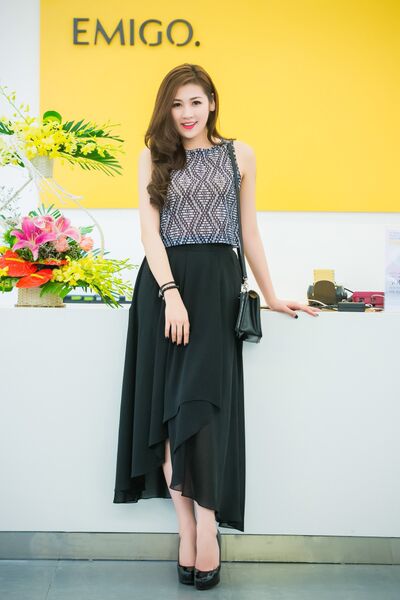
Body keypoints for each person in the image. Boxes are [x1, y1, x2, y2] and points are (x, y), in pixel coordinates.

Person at [113, 63, 321, 590]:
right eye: (176, 103)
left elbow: (249, 231)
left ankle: (207, 525)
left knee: (201, 409)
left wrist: (271, 296)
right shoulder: (153, 156)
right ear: (166, 108)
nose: (187, 113)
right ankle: (186, 528)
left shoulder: (239, 154)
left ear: (211, 102)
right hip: (164, 288)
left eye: (195, 101)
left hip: (217, 286)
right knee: (166, 411)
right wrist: (170, 294)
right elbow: (149, 233)